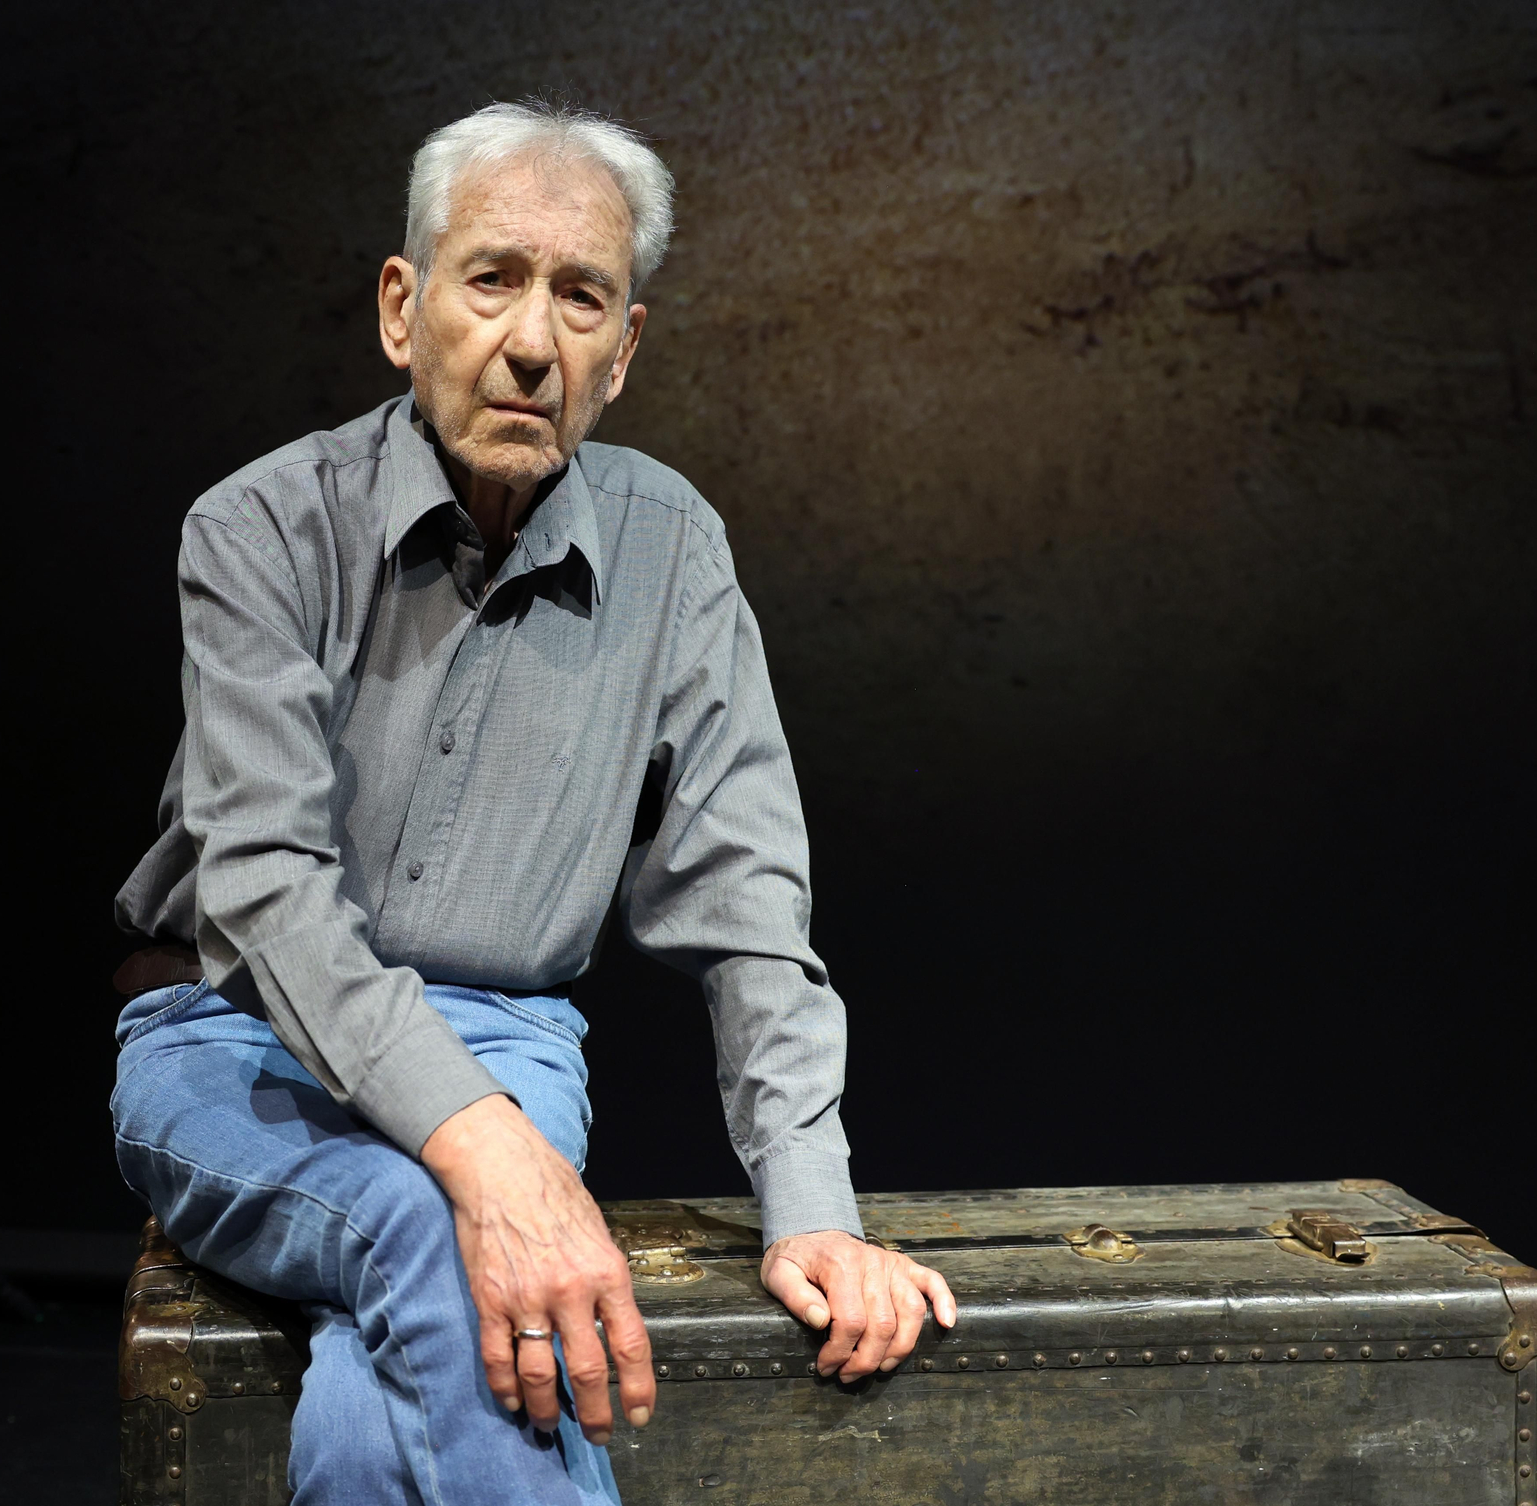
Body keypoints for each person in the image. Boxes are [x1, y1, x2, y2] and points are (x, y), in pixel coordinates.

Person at [109, 98, 955, 1505]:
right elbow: (263, 890)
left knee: (375, 1413)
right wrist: (491, 1148)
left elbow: (751, 906)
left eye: (581, 298)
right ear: (403, 307)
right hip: (231, 1036)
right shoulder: (259, 527)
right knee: (438, 1233)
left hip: (510, 1038)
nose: (529, 340)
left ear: (622, 353)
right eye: (491, 276)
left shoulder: (674, 548)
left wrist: (813, 1209)